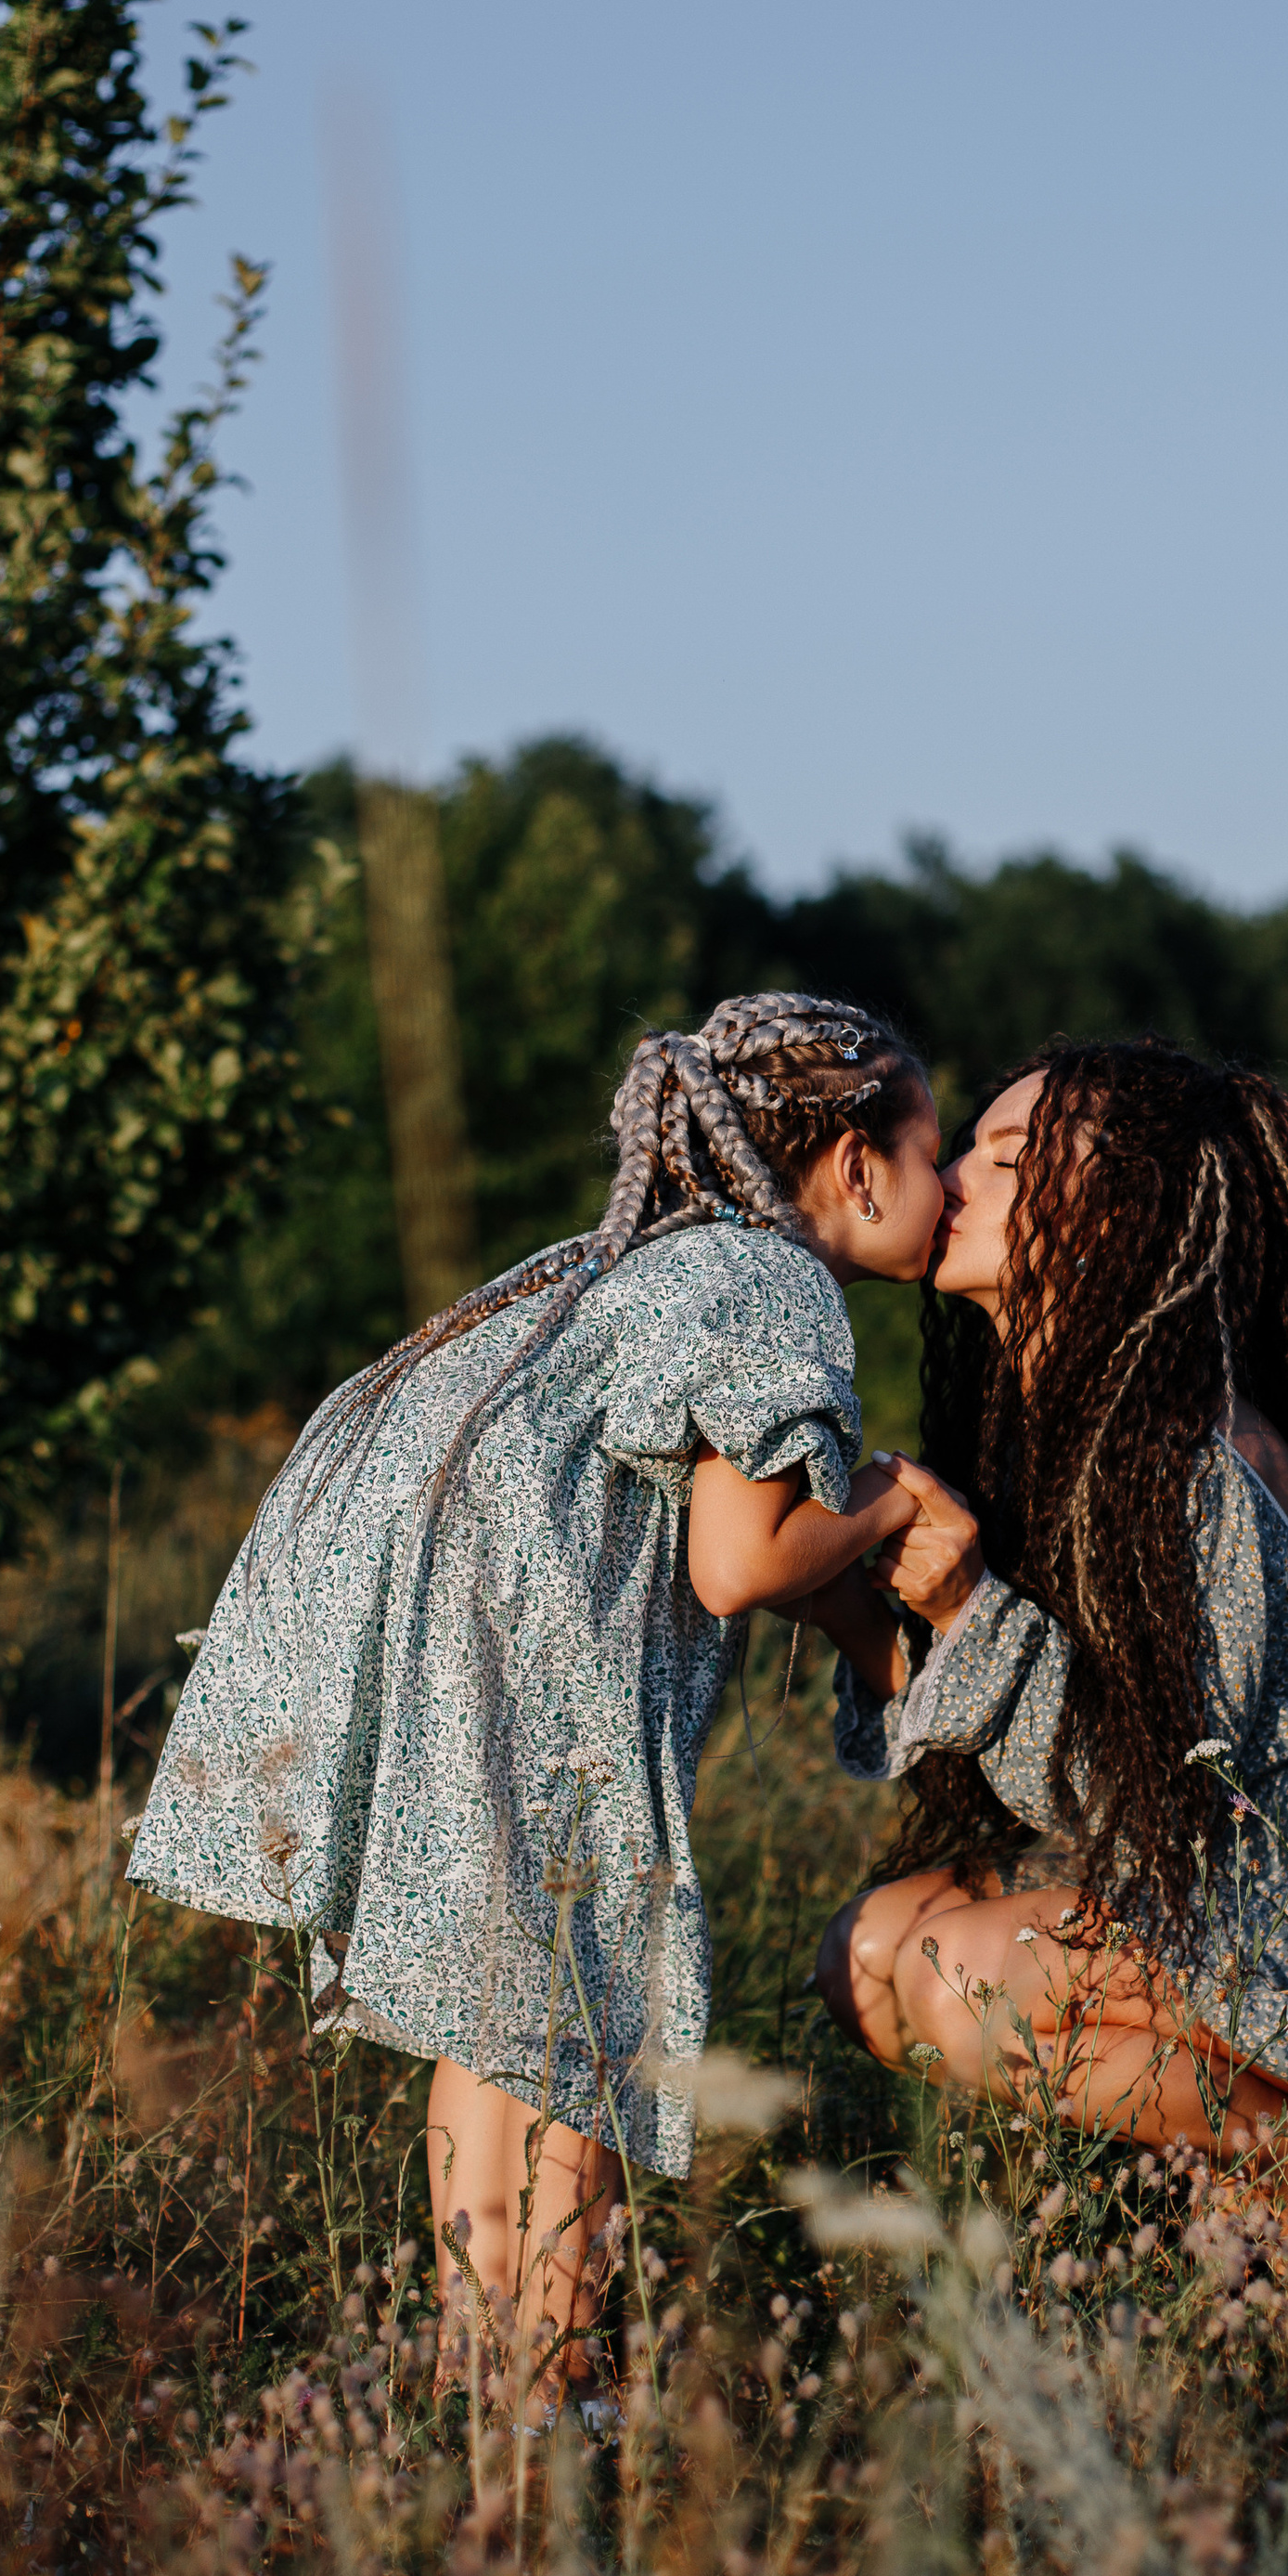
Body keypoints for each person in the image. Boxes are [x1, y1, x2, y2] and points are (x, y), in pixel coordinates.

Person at [129, 992, 942, 2395]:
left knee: (503, 2016)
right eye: (938, 1155)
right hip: (547, 1655)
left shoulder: (647, 1257)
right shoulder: (776, 1281)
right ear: (859, 1164)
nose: (949, 1188)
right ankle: (556, 2401)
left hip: (461, 1632)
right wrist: (892, 1507)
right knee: (586, 2006)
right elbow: (744, 1559)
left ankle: (481, 2380)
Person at [808, 1040, 1288, 2173]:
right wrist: (853, 1610)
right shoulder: (1049, 1436)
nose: (953, 1175)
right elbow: (1001, 1760)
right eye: (970, 1145)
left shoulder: (1200, 1457)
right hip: (1211, 1893)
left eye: (1010, 1156)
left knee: (958, 1984)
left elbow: (1164, 1792)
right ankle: (1260, 2165)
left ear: (1115, 1216)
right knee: (863, 1953)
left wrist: (964, 1609)